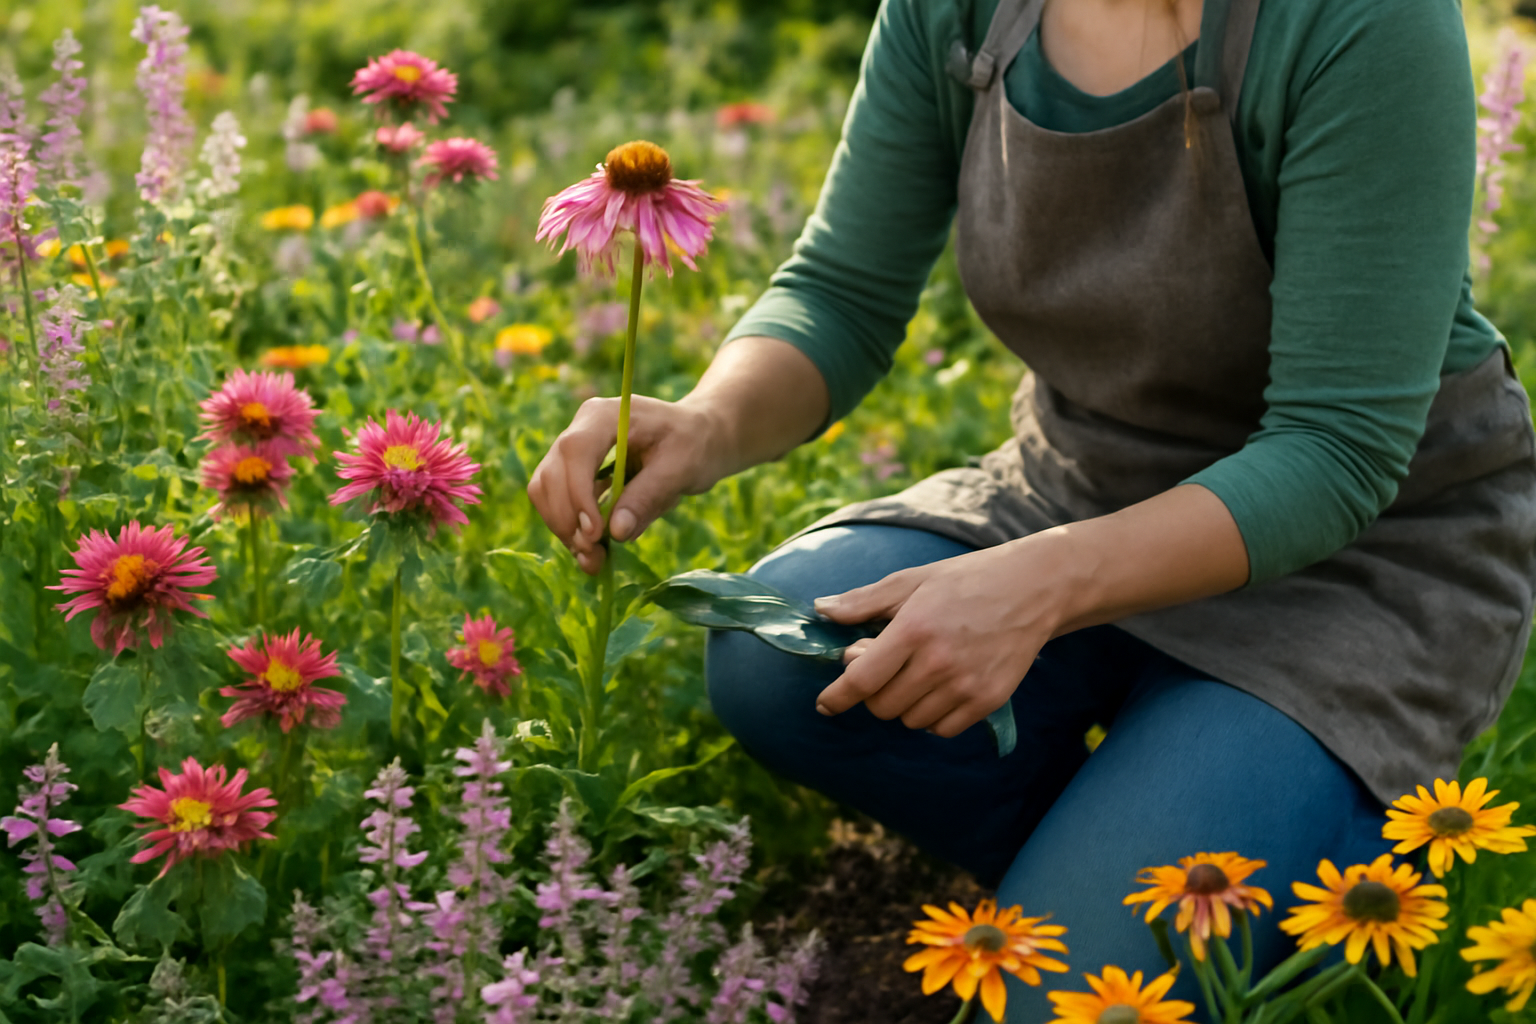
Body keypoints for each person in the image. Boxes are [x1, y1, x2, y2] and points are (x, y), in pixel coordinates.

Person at [529, 0, 1536, 1016]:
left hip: (1353, 567)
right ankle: (1131, 835)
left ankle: (1288, 880)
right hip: (1078, 483)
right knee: (776, 654)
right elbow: (841, 290)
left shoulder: (1364, 22)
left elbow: (1337, 450)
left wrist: (1043, 585)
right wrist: (706, 422)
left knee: (1065, 997)